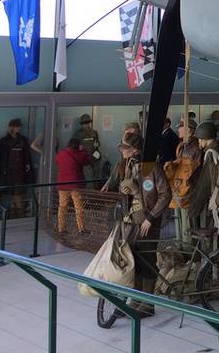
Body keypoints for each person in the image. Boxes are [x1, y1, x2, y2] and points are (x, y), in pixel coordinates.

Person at [113, 132, 170, 317]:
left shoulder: (151, 166)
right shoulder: (130, 164)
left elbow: (165, 194)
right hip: (132, 220)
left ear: (135, 150)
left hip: (146, 222)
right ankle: (136, 299)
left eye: (125, 148)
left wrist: (151, 218)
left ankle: (147, 305)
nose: (122, 151)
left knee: (147, 262)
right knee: (134, 261)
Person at [55, 137, 92, 235]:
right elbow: (88, 161)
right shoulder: (81, 154)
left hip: (62, 185)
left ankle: (61, 228)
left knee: (62, 207)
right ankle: (81, 228)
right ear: (78, 146)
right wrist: (84, 150)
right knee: (79, 207)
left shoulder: (61, 154)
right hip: (76, 185)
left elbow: (57, 161)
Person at [0, 118, 32, 217]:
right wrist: (2, 169)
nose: (19, 128)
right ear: (12, 127)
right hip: (9, 170)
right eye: (17, 126)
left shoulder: (23, 139)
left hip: (20, 169)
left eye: (19, 126)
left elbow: (26, 154)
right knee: (10, 191)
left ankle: (19, 212)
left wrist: (27, 164)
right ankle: (13, 212)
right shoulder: (4, 140)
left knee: (19, 191)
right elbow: (2, 156)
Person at [76, 113, 103, 183]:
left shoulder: (94, 132)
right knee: (87, 177)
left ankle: (94, 191)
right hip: (84, 157)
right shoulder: (78, 133)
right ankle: (89, 191)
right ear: (82, 124)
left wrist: (97, 144)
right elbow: (74, 146)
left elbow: (98, 143)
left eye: (88, 122)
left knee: (96, 175)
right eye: (85, 123)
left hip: (95, 155)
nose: (87, 125)